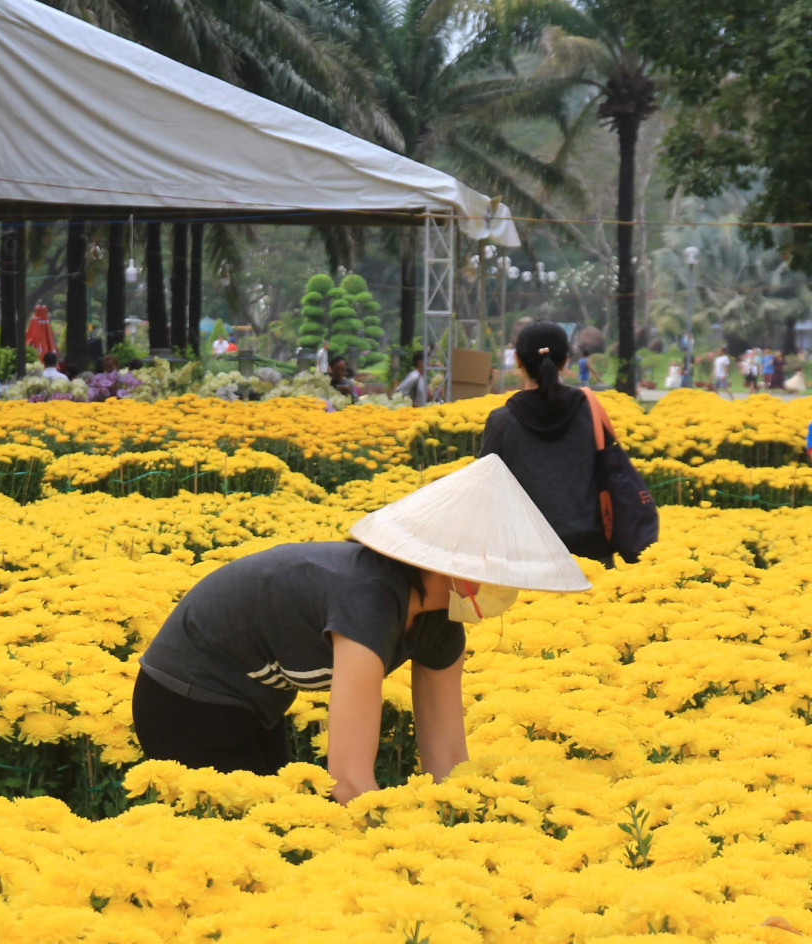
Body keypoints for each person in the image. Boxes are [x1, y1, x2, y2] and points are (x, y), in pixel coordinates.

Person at [133, 455, 590, 801]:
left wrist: (461, 824)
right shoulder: (367, 597)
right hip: (185, 694)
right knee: (241, 841)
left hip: (258, 704)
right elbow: (348, 777)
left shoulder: (440, 622)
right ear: (452, 563)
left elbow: (448, 758)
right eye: (492, 568)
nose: (502, 585)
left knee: (271, 826)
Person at [477, 322, 614, 564]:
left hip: (527, 558)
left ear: (518, 360)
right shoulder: (590, 412)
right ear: (566, 361)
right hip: (593, 555)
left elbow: (485, 493)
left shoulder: (502, 422)